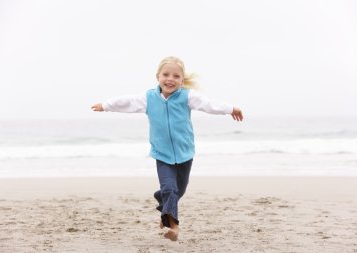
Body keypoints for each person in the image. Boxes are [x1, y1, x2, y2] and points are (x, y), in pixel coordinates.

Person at [91, 56, 243, 241]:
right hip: (162, 154)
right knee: (170, 189)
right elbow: (127, 102)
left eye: (176, 76)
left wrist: (230, 109)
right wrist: (106, 105)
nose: (170, 79)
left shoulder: (188, 96)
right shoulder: (148, 98)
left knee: (179, 190)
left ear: (182, 80)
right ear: (158, 76)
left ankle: (162, 200)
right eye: (166, 74)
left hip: (185, 153)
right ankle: (174, 227)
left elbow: (209, 104)